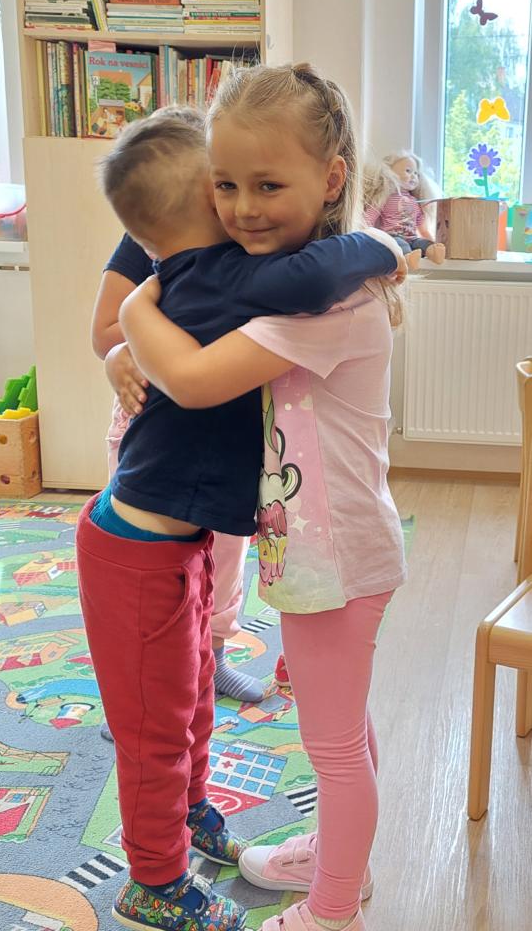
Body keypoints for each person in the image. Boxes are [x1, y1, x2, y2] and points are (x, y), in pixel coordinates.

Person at [76, 104, 404, 931]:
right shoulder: (219, 275)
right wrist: (388, 242)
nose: (242, 209)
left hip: (182, 538)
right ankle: (154, 878)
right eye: (224, 188)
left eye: (258, 186)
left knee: (190, 699)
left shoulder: (207, 276)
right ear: (202, 203)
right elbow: (306, 280)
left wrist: (132, 325)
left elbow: (308, 277)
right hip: (140, 544)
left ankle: (197, 820)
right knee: (157, 724)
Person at [92, 184, 259, 705]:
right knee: (145, 578)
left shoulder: (249, 236)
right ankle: (138, 690)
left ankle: (212, 659)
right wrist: (119, 352)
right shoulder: (152, 231)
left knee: (223, 559)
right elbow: (104, 330)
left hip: (224, 439)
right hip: (152, 433)